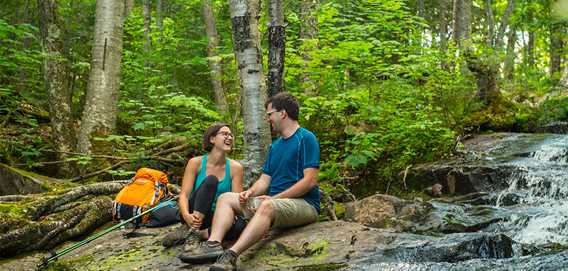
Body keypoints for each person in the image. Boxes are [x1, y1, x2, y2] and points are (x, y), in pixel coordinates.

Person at [179, 92, 321, 271]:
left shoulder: (306, 138)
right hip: (275, 202)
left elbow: (309, 181)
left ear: (282, 113)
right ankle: (213, 244)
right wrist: (250, 193)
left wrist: (274, 199)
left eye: (270, 114)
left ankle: (230, 255)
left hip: (304, 204)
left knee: (266, 206)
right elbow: (264, 180)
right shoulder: (275, 146)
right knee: (227, 198)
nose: (268, 119)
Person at [162, 123, 245, 252]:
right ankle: (193, 230)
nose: (229, 137)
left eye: (231, 135)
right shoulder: (196, 163)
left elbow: (236, 201)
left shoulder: (236, 168)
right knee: (211, 180)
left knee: (240, 225)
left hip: (217, 217)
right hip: (193, 212)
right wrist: (186, 215)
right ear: (212, 139)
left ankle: (196, 234)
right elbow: (184, 195)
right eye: (224, 134)